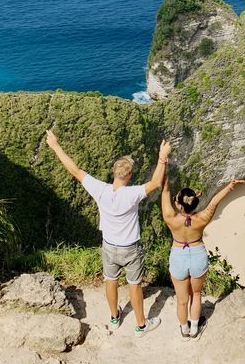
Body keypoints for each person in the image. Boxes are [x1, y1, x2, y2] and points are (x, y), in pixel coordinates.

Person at [45, 128, 170, 337]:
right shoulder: (132, 194)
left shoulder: (100, 189)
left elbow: (74, 170)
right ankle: (140, 324)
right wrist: (162, 157)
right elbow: (156, 182)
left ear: (114, 172)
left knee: (110, 281)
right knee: (135, 285)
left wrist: (55, 145)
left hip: (109, 246)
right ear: (129, 175)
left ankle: (114, 318)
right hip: (130, 248)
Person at [161, 176, 245, 338]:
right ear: (194, 203)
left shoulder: (170, 218)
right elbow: (214, 202)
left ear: (179, 205)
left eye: (176, 200)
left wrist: (164, 174)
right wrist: (230, 186)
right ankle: (194, 329)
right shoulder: (203, 218)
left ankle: (184, 329)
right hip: (197, 254)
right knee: (196, 294)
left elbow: (165, 192)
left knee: (182, 300)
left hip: (179, 256)